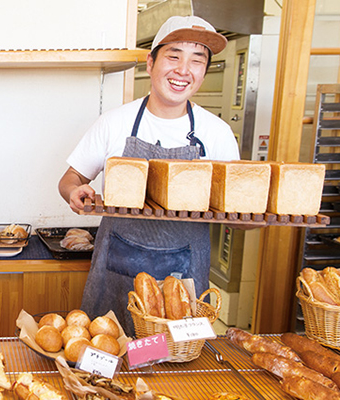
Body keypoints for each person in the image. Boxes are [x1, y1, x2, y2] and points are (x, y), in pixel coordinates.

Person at [58, 15, 241, 333]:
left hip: (184, 281)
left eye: (197, 60)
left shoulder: (217, 134)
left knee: (174, 369)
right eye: (173, 56)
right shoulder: (115, 123)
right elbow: (69, 180)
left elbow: (237, 214)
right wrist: (75, 192)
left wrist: (255, 219)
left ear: (204, 72)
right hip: (116, 270)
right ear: (151, 62)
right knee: (111, 357)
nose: (183, 70)